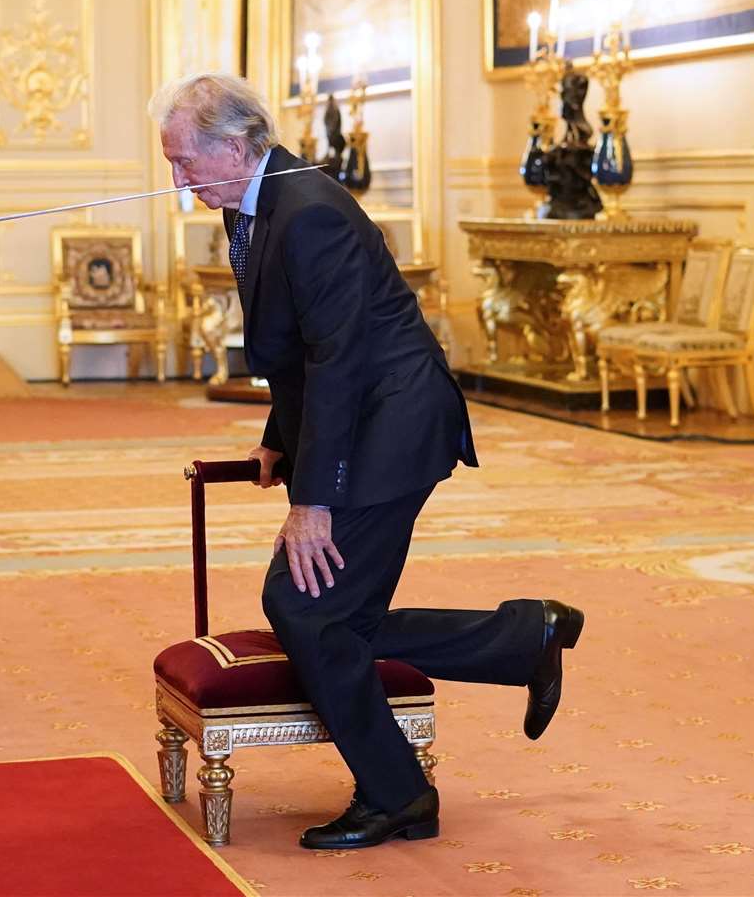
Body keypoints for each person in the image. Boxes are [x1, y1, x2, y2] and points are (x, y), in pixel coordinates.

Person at [149, 73, 584, 851]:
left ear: (236, 144)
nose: (178, 182)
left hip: (392, 425)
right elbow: (298, 350)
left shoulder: (308, 212)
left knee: (309, 608)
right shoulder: (263, 199)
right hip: (368, 418)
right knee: (329, 616)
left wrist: (311, 500)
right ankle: (523, 640)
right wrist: (281, 439)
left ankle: (400, 793)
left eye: (184, 162)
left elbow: (342, 360)